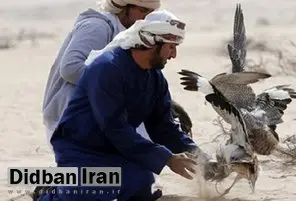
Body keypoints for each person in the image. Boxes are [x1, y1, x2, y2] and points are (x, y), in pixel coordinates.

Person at [37, 9, 209, 201]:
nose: (174, 55)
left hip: (116, 152)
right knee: (89, 194)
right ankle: (49, 191)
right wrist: (167, 159)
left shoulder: (156, 79)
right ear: (151, 42)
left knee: (144, 187)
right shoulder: (107, 68)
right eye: (171, 47)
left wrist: (202, 158)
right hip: (81, 151)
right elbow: (114, 128)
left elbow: (164, 127)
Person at [41, 0, 160, 150]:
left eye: (151, 12)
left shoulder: (130, 34)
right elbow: (71, 69)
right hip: (71, 119)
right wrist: (118, 86)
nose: (146, 18)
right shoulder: (97, 26)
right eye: (143, 11)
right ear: (123, 7)